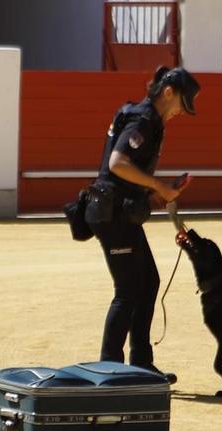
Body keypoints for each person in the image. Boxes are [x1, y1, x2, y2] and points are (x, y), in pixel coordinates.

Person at [81, 65, 200, 381]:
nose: (179, 113)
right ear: (168, 93)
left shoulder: (149, 120)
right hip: (112, 214)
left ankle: (141, 364)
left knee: (148, 283)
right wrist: (160, 187)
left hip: (120, 210)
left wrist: (155, 195)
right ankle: (109, 367)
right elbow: (117, 164)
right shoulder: (144, 120)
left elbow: (125, 175)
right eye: (180, 105)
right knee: (129, 289)